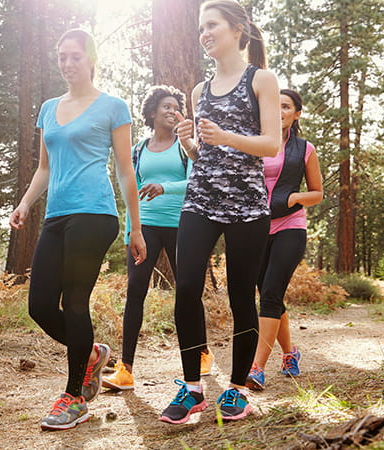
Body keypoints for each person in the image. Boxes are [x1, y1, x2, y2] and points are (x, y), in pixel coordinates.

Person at [9, 29, 146, 431]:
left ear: (90, 58)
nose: (68, 64)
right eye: (62, 57)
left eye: (75, 56)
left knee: (75, 302)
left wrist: (134, 227)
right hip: (57, 215)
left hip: (95, 213)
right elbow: (44, 168)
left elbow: (124, 170)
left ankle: (73, 398)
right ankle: (91, 353)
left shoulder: (112, 106)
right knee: (38, 305)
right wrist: (25, 202)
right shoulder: (49, 108)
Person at [158, 0, 281, 424]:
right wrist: (190, 142)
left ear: (237, 29)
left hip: (247, 205)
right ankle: (192, 388)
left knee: (239, 294)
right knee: (187, 286)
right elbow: (202, 155)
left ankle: (237, 389)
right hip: (202, 199)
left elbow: (271, 145)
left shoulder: (261, 79)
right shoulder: (199, 90)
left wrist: (226, 134)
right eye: (200, 28)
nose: (204, 33)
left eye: (212, 25)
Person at [102, 86, 214, 391]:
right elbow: (130, 190)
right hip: (146, 226)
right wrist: (130, 231)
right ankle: (126, 369)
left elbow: (196, 180)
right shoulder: (138, 149)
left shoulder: (184, 146)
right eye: (165, 106)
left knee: (188, 292)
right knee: (135, 291)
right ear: (152, 112)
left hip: (183, 225)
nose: (171, 110)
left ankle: (201, 352)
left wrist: (165, 187)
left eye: (176, 107)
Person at [245, 88, 323, 390]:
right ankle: (290, 354)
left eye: (286, 106)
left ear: (296, 113)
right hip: (255, 228)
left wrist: (293, 198)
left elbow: (317, 193)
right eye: (273, 105)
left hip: (290, 226)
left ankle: (256, 368)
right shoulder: (253, 144)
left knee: (271, 294)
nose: (279, 110)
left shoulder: (304, 148)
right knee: (269, 295)